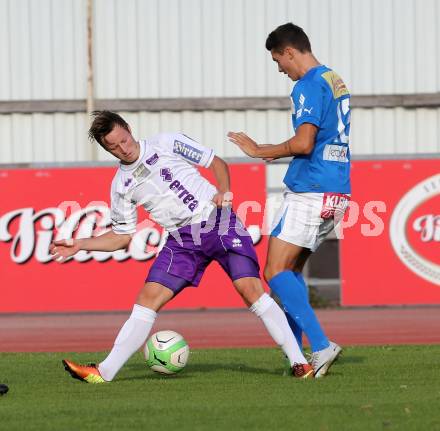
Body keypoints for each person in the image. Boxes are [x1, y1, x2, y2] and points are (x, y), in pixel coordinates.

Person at [51, 110, 314, 382]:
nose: (123, 149)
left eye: (124, 140)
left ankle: (299, 363)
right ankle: (103, 372)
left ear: (129, 128)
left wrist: (224, 192)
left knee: (250, 291)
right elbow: (122, 236)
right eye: (114, 147)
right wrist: (80, 244)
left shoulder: (167, 143)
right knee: (146, 299)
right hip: (182, 240)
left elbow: (217, 163)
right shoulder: (121, 185)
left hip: (218, 221)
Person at [228, 23, 351, 378]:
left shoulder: (308, 84)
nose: (281, 70)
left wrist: (260, 150)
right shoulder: (335, 79)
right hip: (336, 189)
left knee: (273, 271)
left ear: (290, 51)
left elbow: (304, 143)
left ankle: (322, 345)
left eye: (278, 61)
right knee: (291, 271)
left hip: (311, 188)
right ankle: (299, 359)